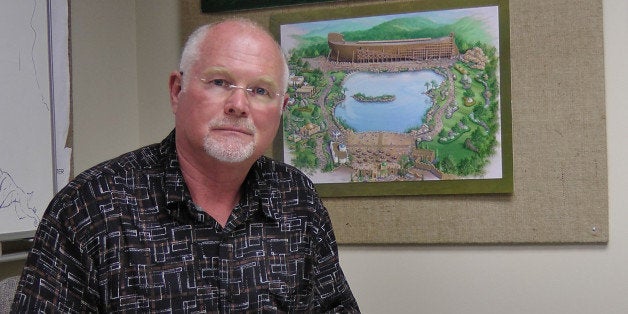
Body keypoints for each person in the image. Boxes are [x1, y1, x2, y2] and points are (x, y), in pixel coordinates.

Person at [12, 18, 359, 313]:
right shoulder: (90, 206)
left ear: (281, 109)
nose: (239, 104)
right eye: (220, 82)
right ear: (177, 91)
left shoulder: (297, 199)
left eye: (259, 90)